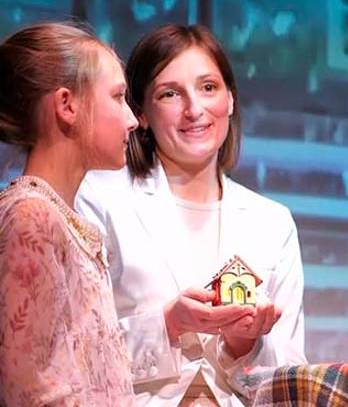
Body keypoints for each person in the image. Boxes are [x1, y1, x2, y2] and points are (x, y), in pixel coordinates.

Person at [76, 24, 306, 406]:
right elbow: (75, 353)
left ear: (230, 100)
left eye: (208, 88)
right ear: (141, 113)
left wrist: (243, 345)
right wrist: (167, 326)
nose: (194, 109)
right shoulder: (99, 199)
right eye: (170, 93)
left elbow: (291, 375)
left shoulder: (273, 222)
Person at [0, 22, 138, 405]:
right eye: (118, 97)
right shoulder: (32, 217)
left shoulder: (61, 218)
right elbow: (31, 390)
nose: (132, 119)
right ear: (67, 105)